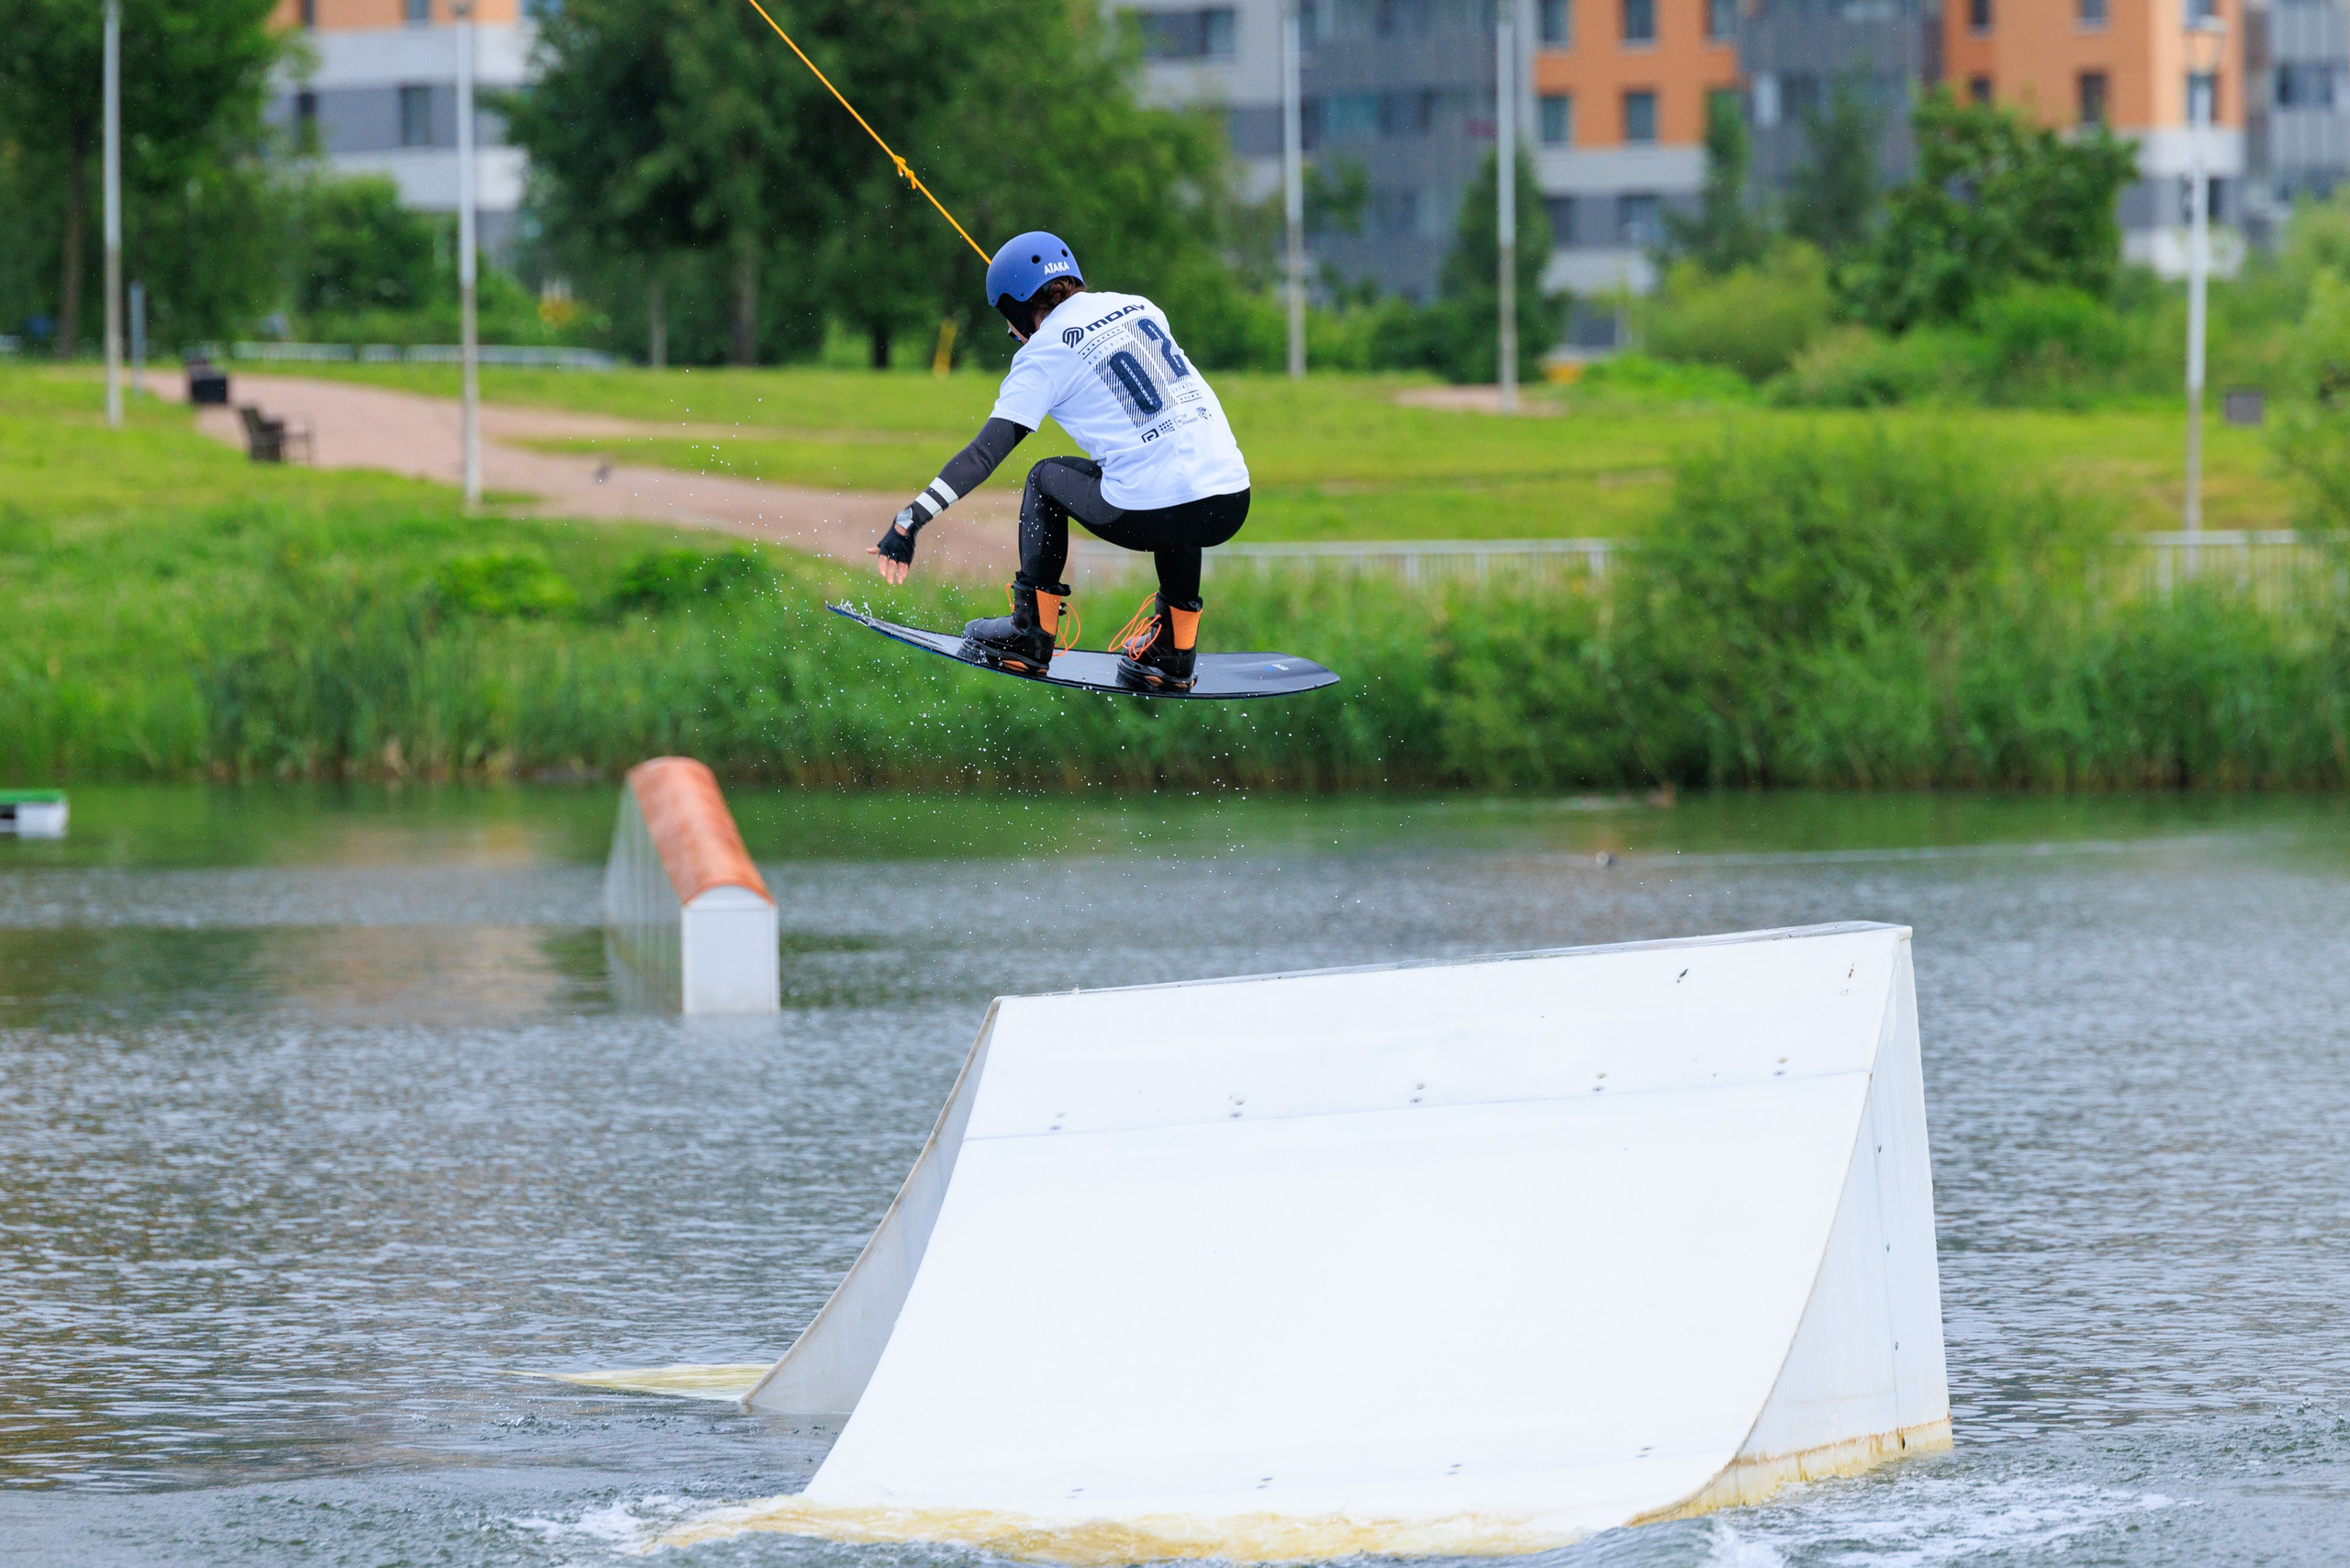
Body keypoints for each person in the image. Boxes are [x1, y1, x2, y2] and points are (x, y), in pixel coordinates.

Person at [868, 231, 1251, 691]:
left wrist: (912, 519)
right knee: (1163, 472)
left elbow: (983, 454)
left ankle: (1030, 635)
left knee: (1044, 478)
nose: (1010, 332)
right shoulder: (1141, 307)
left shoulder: (1042, 351)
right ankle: (1174, 651)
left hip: (1155, 509)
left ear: (1016, 307)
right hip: (1230, 500)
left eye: (1006, 318)